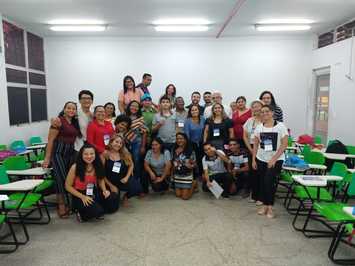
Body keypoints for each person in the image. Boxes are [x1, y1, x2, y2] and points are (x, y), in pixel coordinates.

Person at [43, 102, 81, 218]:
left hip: (70, 152)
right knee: (60, 178)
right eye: (68, 108)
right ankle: (61, 205)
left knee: (68, 178)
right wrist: (47, 158)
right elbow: (50, 140)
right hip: (58, 152)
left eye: (73, 108)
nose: (71, 110)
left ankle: (67, 202)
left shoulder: (74, 122)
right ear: (64, 109)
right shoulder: (58, 121)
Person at [65, 144, 119, 222]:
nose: (89, 156)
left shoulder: (97, 164)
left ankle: (97, 208)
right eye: (86, 154)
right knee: (98, 211)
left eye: (91, 154)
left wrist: (104, 190)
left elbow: (100, 179)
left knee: (112, 201)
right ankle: (81, 214)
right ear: (81, 155)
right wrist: (82, 197)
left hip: (93, 192)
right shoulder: (75, 167)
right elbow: (67, 186)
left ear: (95, 155)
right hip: (79, 194)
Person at [252, 105, 288, 218]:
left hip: (276, 159)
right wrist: (253, 159)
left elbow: (284, 144)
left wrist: (274, 159)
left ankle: (270, 207)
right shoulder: (259, 127)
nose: (264, 114)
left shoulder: (280, 126)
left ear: (272, 113)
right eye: (262, 112)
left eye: (267, 111)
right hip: (261, 158)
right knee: (263, 181)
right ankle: (264, 205)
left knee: (269, 181)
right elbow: (256, 144)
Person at [51, 90, 93, 154]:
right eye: (84, 98)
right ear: (79, 100)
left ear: (92, 101)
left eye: (89, 98)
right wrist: (54, 119)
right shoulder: (74, 113)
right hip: (77, 147)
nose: (86, 100)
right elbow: (63, 117)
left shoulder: (93, 114)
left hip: (91, 146)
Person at [103, 134, 140, 207]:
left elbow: (131, 165)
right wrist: (111, 186)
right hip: (110, 182)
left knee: (137, 188)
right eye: (116, 142)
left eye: (121, 143)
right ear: (111, 142)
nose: (118, 144)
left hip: (122, 180)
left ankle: (125, 198)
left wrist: (126, 177)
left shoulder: (125, 153)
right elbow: (101, 173)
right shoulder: (105, 154)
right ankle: (117, 194)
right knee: (112, 205)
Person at [243, 100, 263, 203]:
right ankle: (254, 196)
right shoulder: (250, 121)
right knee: (253, 172)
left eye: (258, 106)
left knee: (261, 172)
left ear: (262, 107)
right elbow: (245, 136)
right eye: (254, 107)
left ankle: (261, 197)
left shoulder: (266, 120)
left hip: (262, 148)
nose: (256, 108)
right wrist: (250, 149)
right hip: (251, 147)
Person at [125, 100, 147, 194]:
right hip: (125, 143)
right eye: (132, 106)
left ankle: (137, 187)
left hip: (137, 143)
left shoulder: (140, 118)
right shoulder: (124, 117)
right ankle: (127, 185)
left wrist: (143, 146)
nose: (134, 108)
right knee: (126, 163)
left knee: (136, 163)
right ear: (129, 106)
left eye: (136, 106)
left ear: (139, 109)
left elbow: (144, 133)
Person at [172, 133, 197, 200]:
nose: (179, 140)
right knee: (178, 195)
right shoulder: (174, 149)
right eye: (177, 139)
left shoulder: (190, 150)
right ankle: (184, 188)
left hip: (187, 175)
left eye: (181, 138)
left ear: (185, 140)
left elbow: (194, 164)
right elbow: (173, 163)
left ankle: (193, 184)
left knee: (185, 197)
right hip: (177, 175)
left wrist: (191, 166)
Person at [184, 105, 205, 180]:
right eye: (192, 110)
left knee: (202, 159)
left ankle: (203, 174)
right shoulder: (187, 121)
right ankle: (195, 176)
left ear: (198, 111)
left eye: (196, 110)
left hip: (202, 142)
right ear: (190, 112)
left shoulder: (203, 119)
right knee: (194, 160)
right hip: (192, 143)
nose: (194, 111)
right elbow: (186, 135)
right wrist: (189, 146)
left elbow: (206, 130)